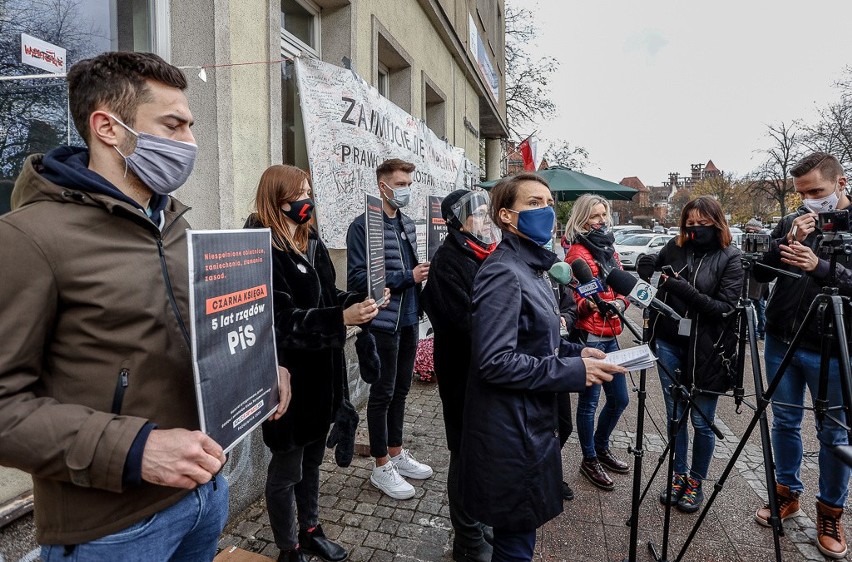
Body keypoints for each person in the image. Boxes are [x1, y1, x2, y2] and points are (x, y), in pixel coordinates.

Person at [0, 51, 291, 561]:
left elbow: (195, 343)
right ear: (108, 128)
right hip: (109, 531)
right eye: (173, 126)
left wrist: (260, 369)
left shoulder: (178, 229)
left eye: (190, 126)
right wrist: (135, 450)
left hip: (203, 497)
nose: (191, 144)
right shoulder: (28, 239)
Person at [459, 172, 626, 561]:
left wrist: (576, 353)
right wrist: (573, 373)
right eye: (534, 203)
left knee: (520, 539)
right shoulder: (504, 271)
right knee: (515, 546)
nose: (546, 211)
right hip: (509, 431)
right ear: (506, 216)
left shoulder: (532, 267)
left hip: (527, 422)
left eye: (549, 203)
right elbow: (495, 361)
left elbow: (535, 338)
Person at [247, 165, 383, 562]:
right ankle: (288, 548)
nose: (308, 200)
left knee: (310, 463)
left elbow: (329, 293)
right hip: (287, 377)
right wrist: (340, 317)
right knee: (286, 470)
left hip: (324, 374)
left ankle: (310, 530)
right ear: (277, 200)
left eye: (308, 190)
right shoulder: (260, 247)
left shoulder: (310, 240)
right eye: (300, 193)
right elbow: (280, 319)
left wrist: (357, 301)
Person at [752, 151, 852, 559]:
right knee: (785, 420)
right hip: (781, 337)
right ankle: (786, 491)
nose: (810, 199)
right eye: (802, 193)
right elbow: (759, 274)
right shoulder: (794, 220)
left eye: (817, 191)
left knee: (834, 432)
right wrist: (784, 244)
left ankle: (830, 512)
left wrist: (822, 266)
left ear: (841, 182)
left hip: (833, 344)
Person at [639, 196, 743, 514]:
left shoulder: (731, 258)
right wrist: (646, 263)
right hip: (669, 342)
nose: (695, 229)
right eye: (690, 223)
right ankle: (677, 474)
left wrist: (685, 291)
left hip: (709, 351)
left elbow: (725, 309)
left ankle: (696, 481)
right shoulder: (675, 245)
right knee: (675, 416)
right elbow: (655, 268)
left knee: (700, 419)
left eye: (703, 223)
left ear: (717, 223)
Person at [346, 158, 433, 500]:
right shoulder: (362, 226)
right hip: (383, 323)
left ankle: (396, 452)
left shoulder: (408, 224)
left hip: (410, 318)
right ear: (382, 186)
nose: (406, 190)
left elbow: (413, 270)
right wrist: (405, 278)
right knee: (381, 395)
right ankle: (381, 465)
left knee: (400, 391)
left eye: (409, 185)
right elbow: (356, 279)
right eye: (400, 185)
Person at [421, 189, 499, 562]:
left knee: (481, 453)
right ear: (457, 220)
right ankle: (467, 539)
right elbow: (463, 323)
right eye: (477, 213)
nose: (484, 220)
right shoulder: (449, 260)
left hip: (485, 373)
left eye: (486, 212)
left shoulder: (483, 253)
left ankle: (481, 522)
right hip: (460, 372)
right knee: (464, 453)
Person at [562, 194, 631, 491]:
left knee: (620, 399)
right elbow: (572, 299)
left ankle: (601, 447)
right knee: (589, 404)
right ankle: (589, 459)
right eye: (594, 216)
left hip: (612, 332)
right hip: (591, 336)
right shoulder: (576, 254)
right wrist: (587, 306)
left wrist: (620, 302)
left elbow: (625, 284)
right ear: (581, 219)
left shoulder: (610, 251)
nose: (601, 221)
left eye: (603, 215)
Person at [744, 219, 769, 339]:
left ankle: (760, 331)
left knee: (759, 306)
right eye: (748, 230)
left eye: (753, 231)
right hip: (751, 277)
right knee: (752, 306)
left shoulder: (764, 240)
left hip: (759, 279)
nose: (751, 233)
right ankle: (754, 331)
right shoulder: (748, 241)